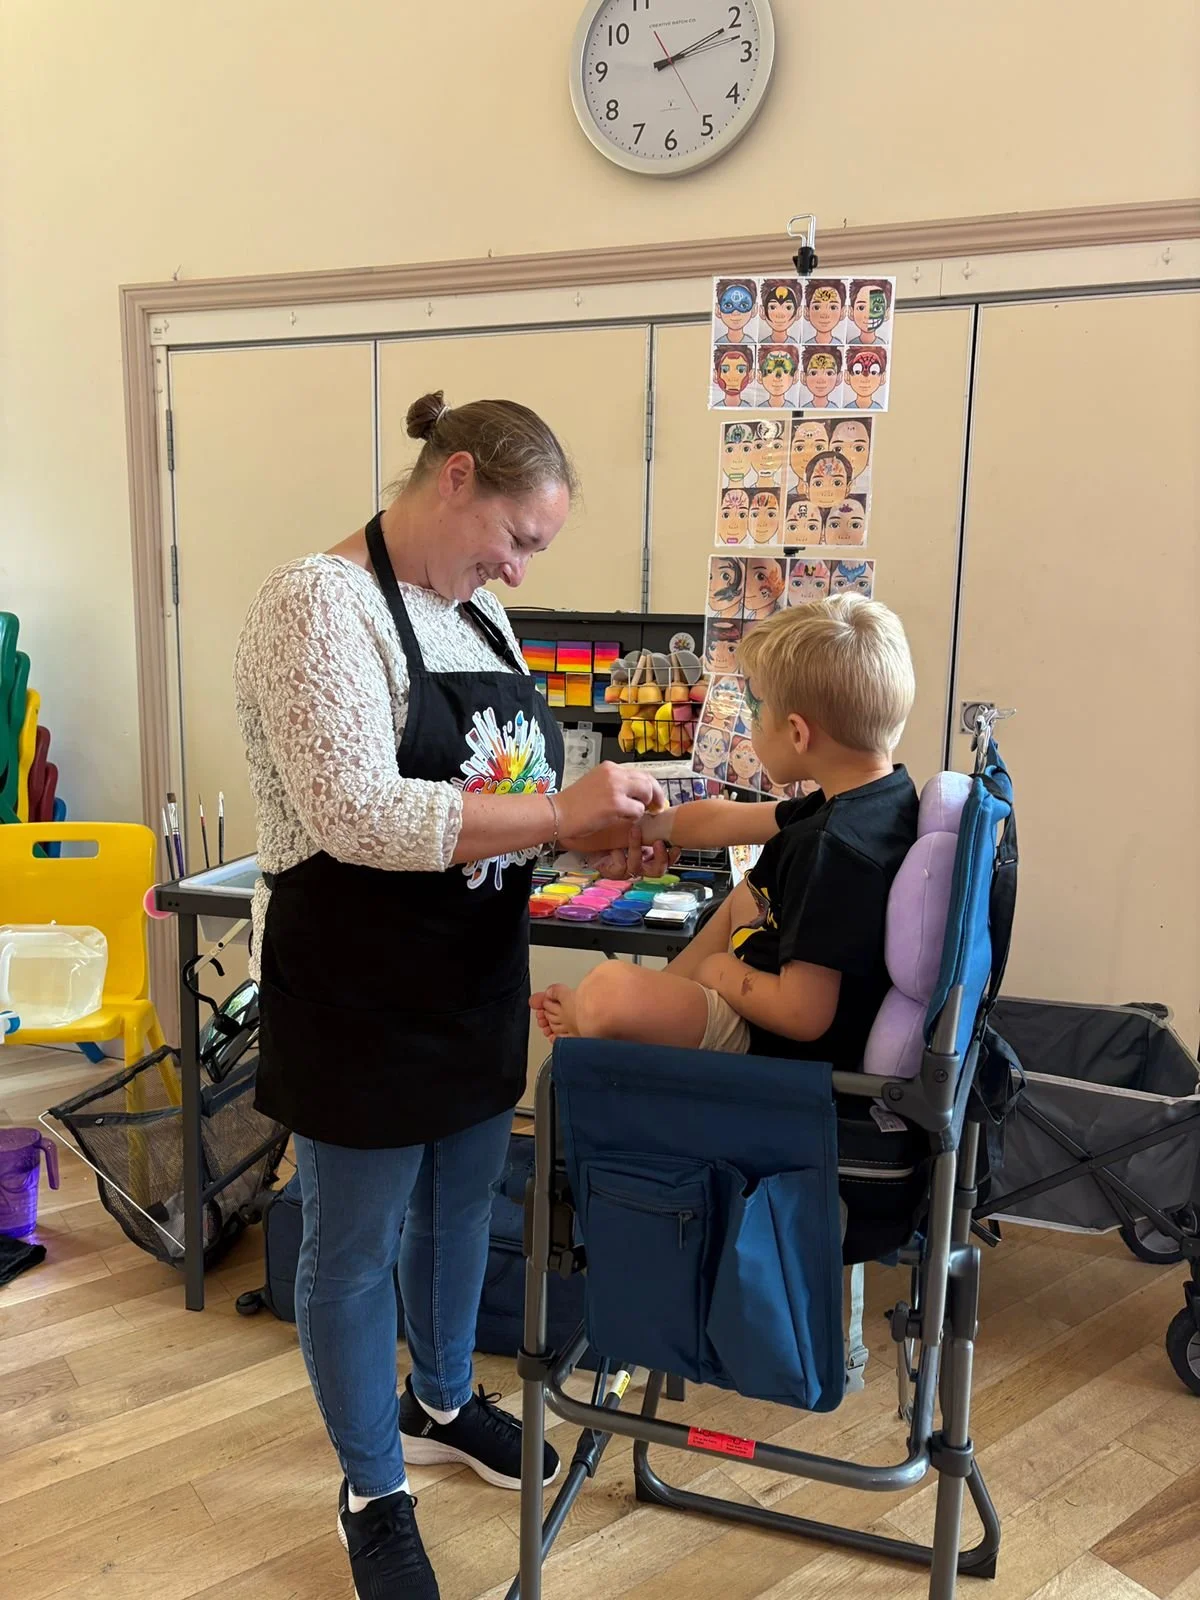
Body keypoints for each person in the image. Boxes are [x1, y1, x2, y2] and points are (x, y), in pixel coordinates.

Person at [234, 390, 665, 1600]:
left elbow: (500, 797)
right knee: (353, 1244)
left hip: (472, 973)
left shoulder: (480, 619)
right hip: (358, 989)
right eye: (519, 538)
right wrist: (557, 816)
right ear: (457, 474)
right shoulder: (316, 605)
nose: (519, 571)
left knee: (460, 1205)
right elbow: (358, 814)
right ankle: (373, 1487)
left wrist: (578, 843)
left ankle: (440, 1398)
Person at [531, 597, 918, 1071]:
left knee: (607, 990)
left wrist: (718, 973)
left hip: (779, 1047)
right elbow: (719, 820)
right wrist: (654, 826)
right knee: (744, 898)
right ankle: (661, 994)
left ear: (798, 733)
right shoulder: (872, 799)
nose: (749, 722)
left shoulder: (829, 848)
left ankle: (600, 1012)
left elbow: (804, 1015)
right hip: (764, 995)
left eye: (755, 709)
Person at [848, 279, 893, 344]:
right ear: (851, 312)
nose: (868, 315)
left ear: (887, 313)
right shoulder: (851, 342)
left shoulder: (882, 343)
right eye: (861, 308)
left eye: (877, 308)